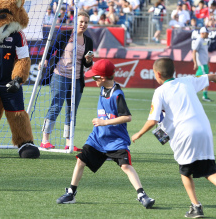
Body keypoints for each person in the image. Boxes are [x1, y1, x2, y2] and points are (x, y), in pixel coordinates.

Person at [132, 57, 216, 218]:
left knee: (185, 171)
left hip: (185, 133)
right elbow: (214, 76)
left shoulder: (159, 92)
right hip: (204, 129)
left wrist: (138, 133)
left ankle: (196, 207)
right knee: (207, 166)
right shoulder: (187, 81)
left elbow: (153, 120)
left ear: (158, 74)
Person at [56, 59, 156, 208]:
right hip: (97, 138)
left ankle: (142, 195)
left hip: (116, 139)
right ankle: (71, 193)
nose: (93, 79)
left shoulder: (117, 94)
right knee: (80, 161)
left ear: (102, 78)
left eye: (95, 77)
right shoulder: (103, 87)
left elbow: (127, 117)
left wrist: (105, 122)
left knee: (126, 166)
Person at [39, 11, 94, 151]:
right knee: (56, 106)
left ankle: (69, 142)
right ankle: (45, 139)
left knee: (71, 110)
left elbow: (87, 65)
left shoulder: (88, 41)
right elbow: (52, 49)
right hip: (60, 75)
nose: (83, 24)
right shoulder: (65, 35)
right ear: (75, 21)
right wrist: (44, 60)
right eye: (81, 21)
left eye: (86, 22)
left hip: (76, 80)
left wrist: (89, 60)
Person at [192, 27, 212, 102]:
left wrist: (207, 63)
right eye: (207, 33)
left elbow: (204, 53)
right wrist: (195, 63)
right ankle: (204, 96)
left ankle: (204, 95)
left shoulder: (203, 41)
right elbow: (194, 51)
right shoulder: (199, 40)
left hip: (204, 64)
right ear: (202, 33)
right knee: (204, 80)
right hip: (202, 64)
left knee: (197, 80)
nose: (208, 34)